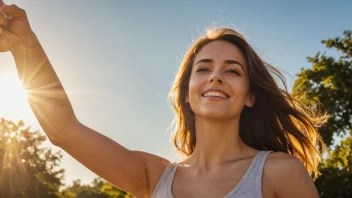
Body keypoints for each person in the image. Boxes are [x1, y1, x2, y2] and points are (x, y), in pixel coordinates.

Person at [0, 2, 328, 198]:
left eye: (232, 71)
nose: (216, 77)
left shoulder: (278, 172)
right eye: (204, 68)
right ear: (187, 93)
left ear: (251, 97)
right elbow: (62, 130)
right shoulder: (155, 176)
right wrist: (24, 44)